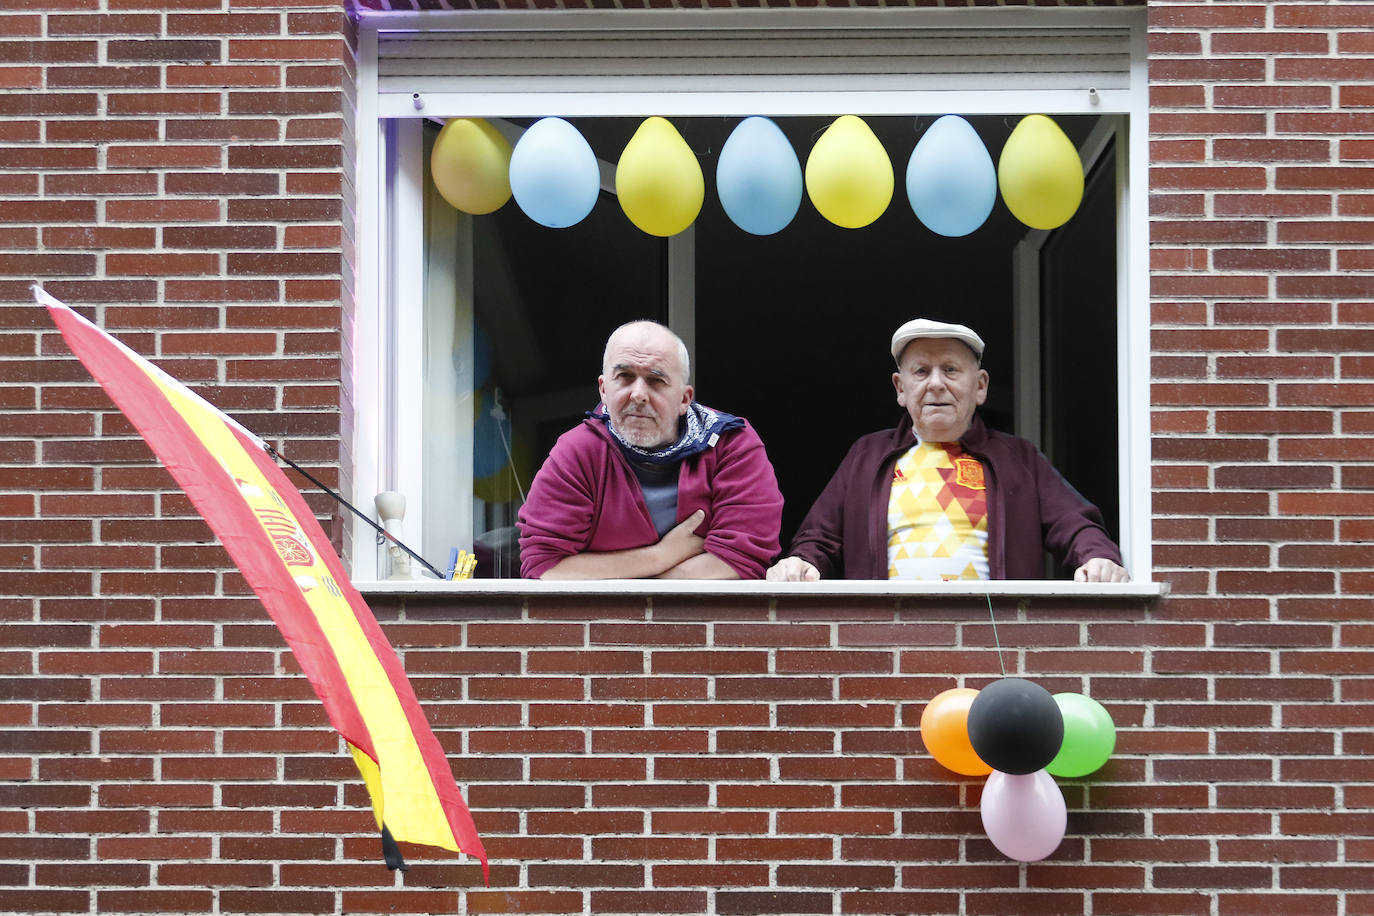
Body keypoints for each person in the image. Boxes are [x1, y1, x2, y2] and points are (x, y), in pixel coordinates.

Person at [767, 318, 1128, 583]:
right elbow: (820, 537)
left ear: (981, 385)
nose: (936, 383)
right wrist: (802, 562)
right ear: (900, 388)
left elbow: (1074, 524)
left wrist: (1097, 558)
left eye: (951, 370)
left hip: (994, 636)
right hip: (887, 638)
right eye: (921, 372)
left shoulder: (1018, 457)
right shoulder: (867, 455)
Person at [518, 320, 783, 579]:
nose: (638, 394)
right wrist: (659, 556)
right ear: (603, 389)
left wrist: (634, 586)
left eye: (656, 380)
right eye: (625, 377)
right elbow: (545, 567)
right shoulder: (577, 452)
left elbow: (742, 560)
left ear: (684, 399)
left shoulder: (731, 443)